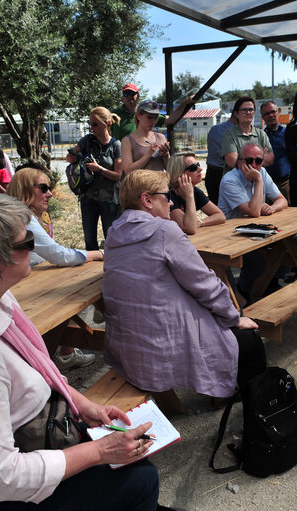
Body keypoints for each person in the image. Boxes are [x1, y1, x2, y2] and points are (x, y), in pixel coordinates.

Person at [0, 194, 165, 511]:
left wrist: (82, 404)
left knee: (136, 470)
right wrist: (100, 452)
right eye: (27, 241)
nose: (34, 246)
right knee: (139, 480)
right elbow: (0, 477)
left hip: (26, 440)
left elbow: (34, 371)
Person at [102, 170, 265, 405]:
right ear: (147, 200)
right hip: (158, 344)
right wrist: (234, 317)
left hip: (126, 349)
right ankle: (255, 407)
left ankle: (223, 391)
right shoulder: (164, 231)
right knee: (248, 339)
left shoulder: (114, 231)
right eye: (165, 196)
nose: (170, 201)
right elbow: (204, 284)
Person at [7, 165, 104, 371]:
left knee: (65, 295)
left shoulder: (21, 213)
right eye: (43, 188)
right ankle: (47, 364)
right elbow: (59, 255)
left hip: (28, 282)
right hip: (22, 291)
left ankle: (66, 353)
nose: (49, 193)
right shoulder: (23, 217)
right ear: (25, 189)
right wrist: (97, 254)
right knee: (66, 296)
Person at [218, 143, 291, 302]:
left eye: (258, 161)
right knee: (256, 258)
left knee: (293, 239)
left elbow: (282, 200)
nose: (254, 165)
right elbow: (254, 212)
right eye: (249, 160)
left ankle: (270, 282)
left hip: (253, 230)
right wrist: (258, 181)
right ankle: (244, 293)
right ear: (240, 163)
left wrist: (272, 208)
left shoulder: (262, 171)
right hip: (230, 234)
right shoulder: (229, 180)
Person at [65, 107, 123, 251]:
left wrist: (99, 169)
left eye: (95, 124)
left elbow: (118, 176)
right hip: (88, 197)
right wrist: (71, 157)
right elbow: (73, 152)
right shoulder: (87, 140)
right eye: (90, 124)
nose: (92, 128)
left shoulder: (116, 145)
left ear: (107, 124)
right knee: (89, 240)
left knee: (112, 240)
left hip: (109, 199)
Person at [166, 152, 225, 235]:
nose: (200, 169)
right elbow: (190, 228)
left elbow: (220, 216)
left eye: (198, 164)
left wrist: (200, 222)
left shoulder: (195, 191)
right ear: (179, 173)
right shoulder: (169, 195)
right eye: (193, 167)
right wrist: (189, 196)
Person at [111, 83, 192, 141]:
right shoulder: (114, 114)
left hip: (140, 155)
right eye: (126, 94)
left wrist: (184, 103)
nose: (129, 96)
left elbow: (171, 119)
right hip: (120, 158)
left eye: (132, 93)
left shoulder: (146, 113)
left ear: (138, 96)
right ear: (122, 97)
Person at [222, 96, 273, 174]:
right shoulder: (229, 135)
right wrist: (260, 156)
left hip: (256, 181)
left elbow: (270, 159)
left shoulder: (261, 134)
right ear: (236, 114)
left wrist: (242, 159)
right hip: (236, 181)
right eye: (244, 110)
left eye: (251, 109)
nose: (248, 112)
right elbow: (232, 162)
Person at [121, 100, 170, 174]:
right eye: (149, 117)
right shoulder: (127, 141)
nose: (153, 122)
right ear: (138, 116)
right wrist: (148, 155)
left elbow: (170, 169)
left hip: (160, 184)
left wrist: (166, 155)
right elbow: (128, 170)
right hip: (140, 185)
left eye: (156, 118)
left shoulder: (161, 137)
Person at [260, 101, 291, 200]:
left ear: (278, 113)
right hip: (266, 185)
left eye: (273, 112)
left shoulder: (289, 133)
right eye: (267, 113)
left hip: (286, 184)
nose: (271, 115)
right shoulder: (260, 137)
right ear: (263, 117)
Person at [205, 114, 237, 204]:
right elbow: (230, 158)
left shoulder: (215, 129)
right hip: (223, 172)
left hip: (213, 173)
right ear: (236, 113)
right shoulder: (231, 132)